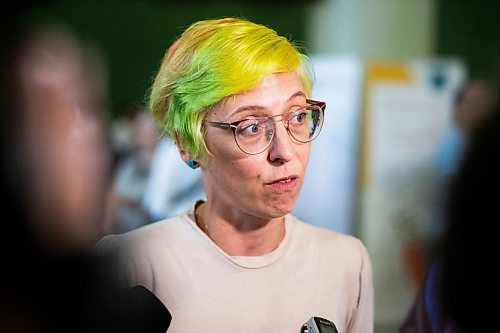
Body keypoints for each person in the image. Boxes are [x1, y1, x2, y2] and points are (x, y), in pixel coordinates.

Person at [98, 17, 373, 332]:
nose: (284, 151)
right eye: (252, 127)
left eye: (297, 116)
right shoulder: (132, 264)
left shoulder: (347, 263)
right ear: (189, 145)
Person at [399, 84, 498, 333]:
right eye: (474, 102)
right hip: (451, 239)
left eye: (484, 102)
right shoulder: (457, 146)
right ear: (458, 109)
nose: (481, 108)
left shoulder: (469, 143)